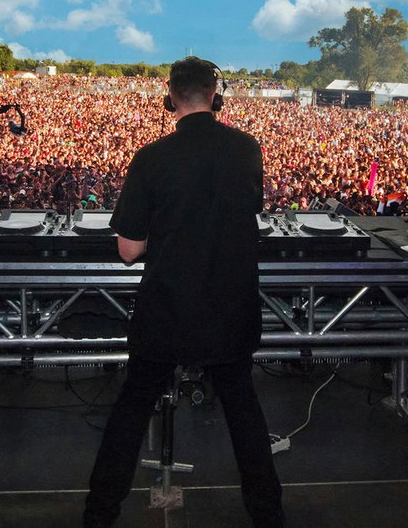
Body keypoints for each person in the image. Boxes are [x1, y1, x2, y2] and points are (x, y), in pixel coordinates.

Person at [83, 57, 284, 528]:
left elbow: (129, 250)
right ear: (216, 95)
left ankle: (98, 516)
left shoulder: (151, 157)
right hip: (230, 309)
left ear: (170, 96)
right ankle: (270, 517)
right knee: (244, 414)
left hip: (168, 309)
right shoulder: (247, 149)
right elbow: (237, 217)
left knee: (132, 412)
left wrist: (166, 229)